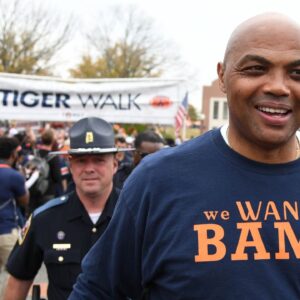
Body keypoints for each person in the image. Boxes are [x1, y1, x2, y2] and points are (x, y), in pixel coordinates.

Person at [69, 13, 300, 300]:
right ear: (223, 77)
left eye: (297, 73)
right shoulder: (159, 180)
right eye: (255, 68)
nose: (278, 86)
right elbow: (96, 291)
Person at [4, 117, 132, 300]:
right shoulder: (45, 219)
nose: (89, 168)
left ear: (114, 165)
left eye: (98, 160)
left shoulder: (136, 215)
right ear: (70, 166)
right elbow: (17, 283)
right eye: (81, 161)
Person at [0, 137, 29, 298]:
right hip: (7, 229)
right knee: (13, 275)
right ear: (12, 154)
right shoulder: (14, 176)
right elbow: (25, 201)